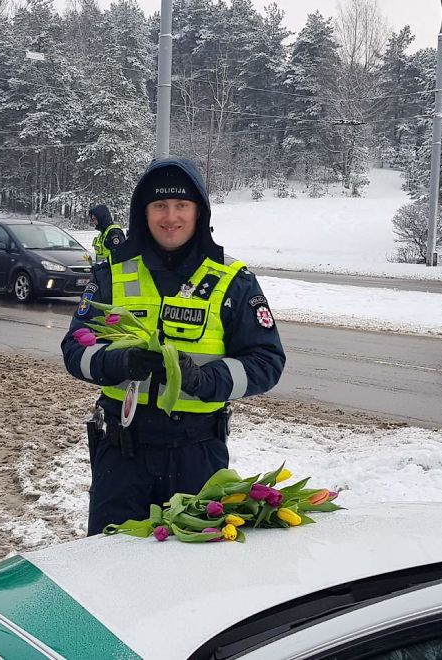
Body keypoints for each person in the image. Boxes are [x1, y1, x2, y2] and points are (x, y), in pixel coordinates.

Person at [62, 158, 286, 535]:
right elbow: (74, 350)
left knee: (191, 580)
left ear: (199, 212)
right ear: (143, 212)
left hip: (197, 454)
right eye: (159, 206)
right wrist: (117, 362)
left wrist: (205, 379)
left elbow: (267, 362)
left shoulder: (233, 280)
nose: (171, 217)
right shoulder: (113, 274)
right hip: (121, 454)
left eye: (182, 205)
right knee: (110, 571)